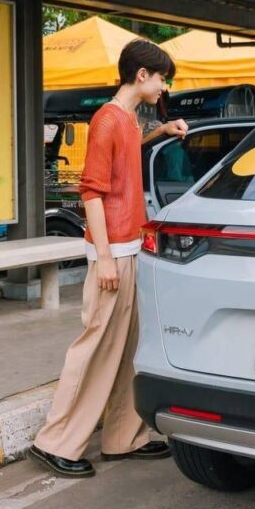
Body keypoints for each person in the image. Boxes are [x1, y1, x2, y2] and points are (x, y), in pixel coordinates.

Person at [30, 39, 188, 478]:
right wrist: (103, 258)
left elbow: (129, 148)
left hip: (129, 247)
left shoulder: (126, 120)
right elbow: (91, 193)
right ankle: (53, 442)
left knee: (126, 349)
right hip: (113, 251)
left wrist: (162, 130)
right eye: (161, 79)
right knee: (96, 347)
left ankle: (124, 438)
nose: (163, 87)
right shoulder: (106, 119)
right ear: (142, 75)